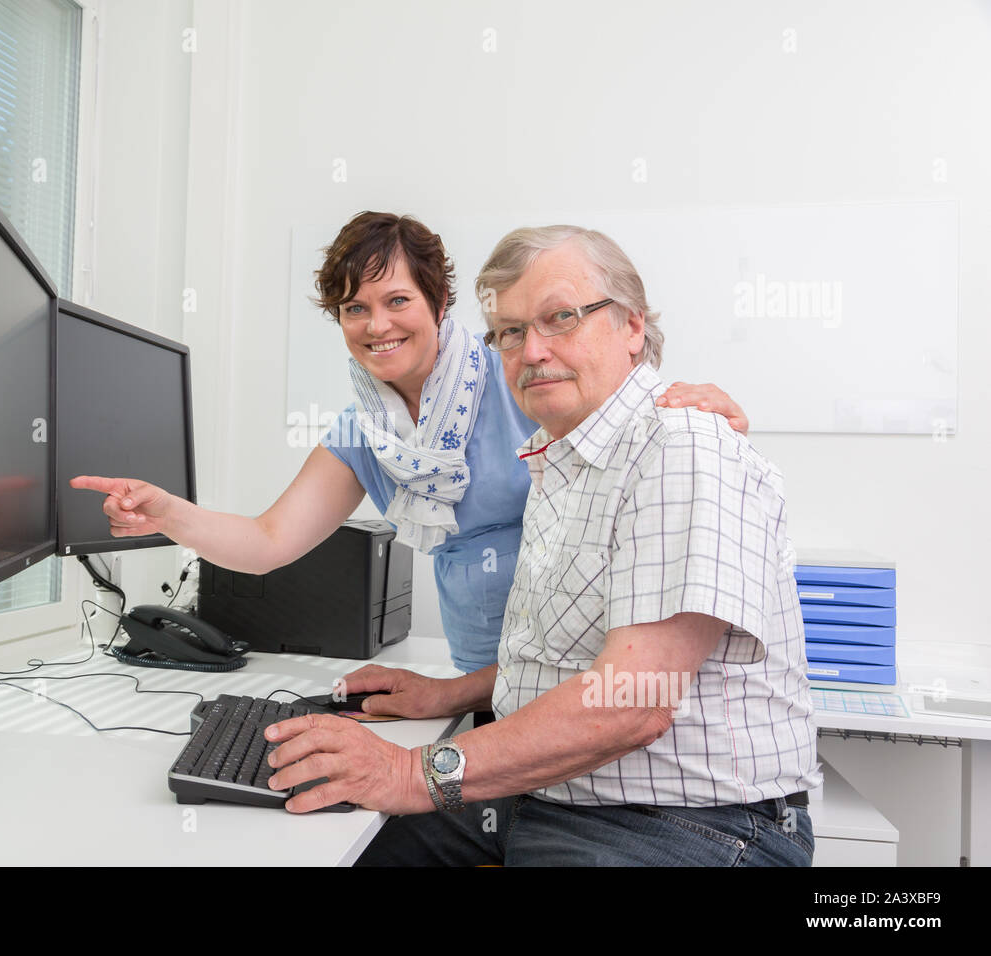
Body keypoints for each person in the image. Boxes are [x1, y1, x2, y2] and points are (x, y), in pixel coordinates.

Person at [258, 224, 821, 867]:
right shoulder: (559, 467)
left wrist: (414, 772)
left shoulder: (681, 447)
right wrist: (448, 696)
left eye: (560, 319)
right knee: (326, 842)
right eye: (511, 333)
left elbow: (630, 703)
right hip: (551, 799)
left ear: (632, 327)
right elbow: (568, 666)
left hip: (685, 826)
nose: (532, 351)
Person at [71, 212, 748, 674]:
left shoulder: (516, 370)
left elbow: (624, 426)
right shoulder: (365, 432)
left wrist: (704, 415)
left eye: (397, 300)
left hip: (580, 670)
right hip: (478, 669)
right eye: (354, 309)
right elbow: (268, 540)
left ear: (438, 302)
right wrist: (169, 514)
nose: (377, 325)